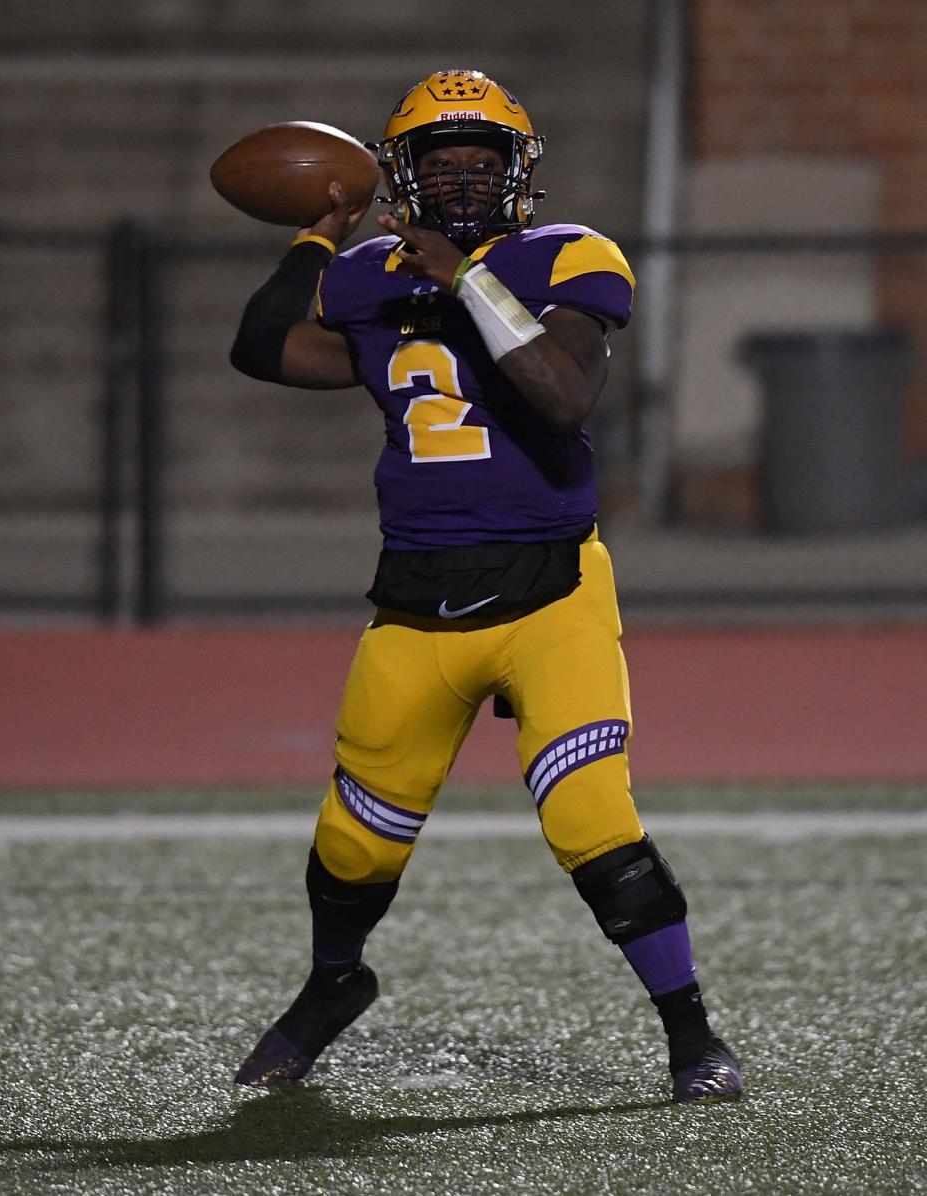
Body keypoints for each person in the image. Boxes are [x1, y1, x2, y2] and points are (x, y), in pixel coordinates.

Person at [228, 69, 742, 1103]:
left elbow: (562, 392)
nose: (463, 176)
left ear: (520, 174)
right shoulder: (373, 274)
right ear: (401, 178)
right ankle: (335, 982)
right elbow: (260, 347)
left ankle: (691, 1031)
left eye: (483, 158)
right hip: (417, 598)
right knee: (353, 838)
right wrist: (319, 234)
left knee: (591, 816)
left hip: (551, 589)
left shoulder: (569, 255)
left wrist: (463, 275)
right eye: (439, 160)